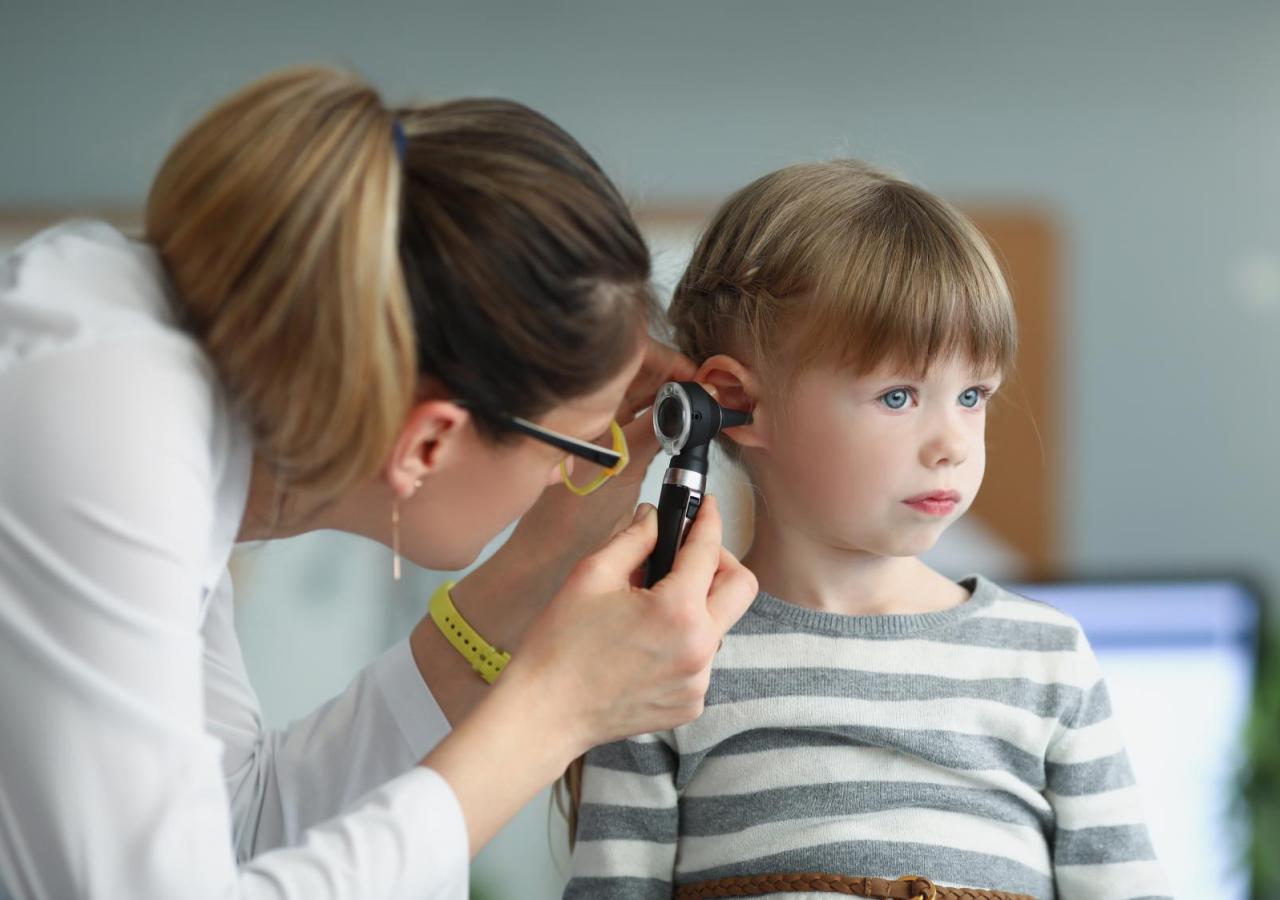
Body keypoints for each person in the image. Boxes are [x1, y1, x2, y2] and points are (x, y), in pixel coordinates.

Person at [0, 66, 757, 899]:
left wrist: (542, 559)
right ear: (430, 440)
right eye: (572, 445)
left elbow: (241, 830)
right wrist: (559, 711)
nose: (585, 469)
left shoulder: (174, 398)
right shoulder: (104, 429)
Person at [563, 160, 1170, 899]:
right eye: (898, 395)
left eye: (972, 394)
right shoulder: (667, 659)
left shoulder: (1046, 660)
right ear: (733, 400)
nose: (951, 441)